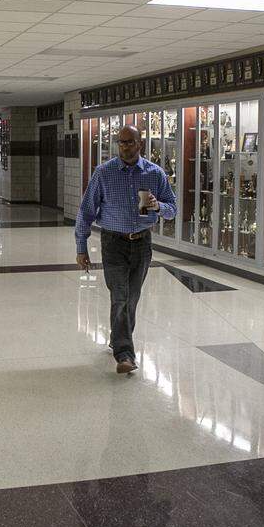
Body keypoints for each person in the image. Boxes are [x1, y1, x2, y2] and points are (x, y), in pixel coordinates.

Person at [75, 125, 177, 374]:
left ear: (140, 143)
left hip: (142, 243)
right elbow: (86, 212)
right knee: (119, 297)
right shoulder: (104, 173)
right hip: (113, 243)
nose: (125, 146)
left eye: (129, 142)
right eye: (121, 142)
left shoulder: (155, 173)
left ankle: (118, 338)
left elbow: (172, 210)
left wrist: (158, 206)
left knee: (131, 298)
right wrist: (81, 247)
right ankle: (125, 354)